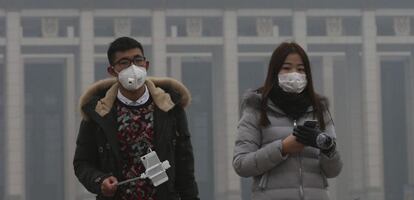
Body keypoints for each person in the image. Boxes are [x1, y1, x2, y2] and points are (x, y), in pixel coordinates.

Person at [73, 37, 199, 200]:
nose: (133, 67)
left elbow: (185, 164)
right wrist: (100, 181)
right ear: (112, 71)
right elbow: (82, 163)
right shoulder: (98, 113)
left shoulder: (169, 108)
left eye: (137, 60)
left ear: (146, 65)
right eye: (124, 62)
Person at [233, 42, 343, 200]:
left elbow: (334, 171)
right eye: (286, 68)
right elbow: (241, 164)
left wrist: (327, 147)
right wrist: (283, 148)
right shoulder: (257, 108)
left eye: (300, 69)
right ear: (274, 71)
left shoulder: (319, 109)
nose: (294, 74)